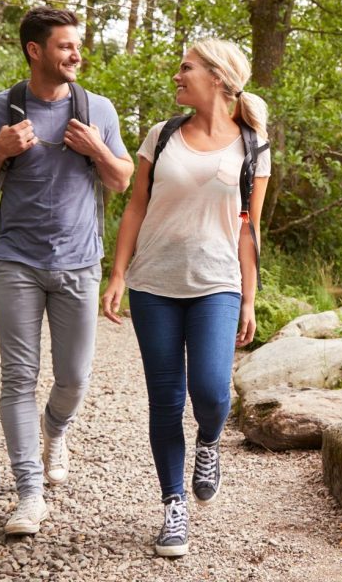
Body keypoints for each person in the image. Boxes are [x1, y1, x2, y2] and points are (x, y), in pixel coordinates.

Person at [101, 38, 269, 558]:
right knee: (166, 400)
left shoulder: (253, 144)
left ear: (217, 78)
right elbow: (135, 207)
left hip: (218, 283)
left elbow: (250, 229)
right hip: (154, 284)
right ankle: (173, 507)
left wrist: (248, 298)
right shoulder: (162, 134)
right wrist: (119, 273)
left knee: (213, 391)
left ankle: (209, 444)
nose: (177, 75)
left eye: (185, 68)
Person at [0, 7, 133, 535]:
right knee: (17, 379)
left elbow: (122, 181)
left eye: (77, 45)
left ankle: (56, 428)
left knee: (73, 378)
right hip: (15, 262)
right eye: (66, 46)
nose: (76, 55)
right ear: (35, 50)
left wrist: (96, 148)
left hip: (78, 262)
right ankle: (28, 494)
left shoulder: (97, 109)